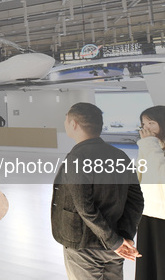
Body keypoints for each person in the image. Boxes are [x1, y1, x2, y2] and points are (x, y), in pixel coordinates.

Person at [51, 102, 144, 280]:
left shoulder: (78, 158)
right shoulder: (119, 155)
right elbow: (136, 201)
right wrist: (123, 236)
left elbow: (84, 208)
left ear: (73, 124)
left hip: (84, 245)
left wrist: (115, 242)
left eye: (66, 120)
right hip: (114, 244)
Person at [134, 105, 165, 280]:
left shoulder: (152, 146)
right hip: (148, 214)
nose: (146, 127)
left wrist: (149, 145)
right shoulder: (152, 146)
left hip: (162, 216)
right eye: (143, 123)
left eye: (151, 122)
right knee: (149, 266)